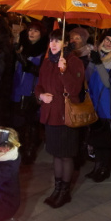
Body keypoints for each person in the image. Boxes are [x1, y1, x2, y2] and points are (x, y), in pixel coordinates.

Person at [35, 29, 85, 209]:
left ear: (65, 43)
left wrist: (64, 71)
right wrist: (41, 96)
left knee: (65, 155)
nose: (53, 44)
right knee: (56, 153)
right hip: (50, 114)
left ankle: (65, 192)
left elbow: (74, 90)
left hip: (66, 115)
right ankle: (57, 189)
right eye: (51, 40)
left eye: (58, 41)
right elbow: (39, 84)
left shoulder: (74, 62)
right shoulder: (47, 61)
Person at [85, 28, 111, 182]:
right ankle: (97, 167)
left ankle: (104, 169)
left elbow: (109, 84)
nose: (108, 43)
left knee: (105, 141)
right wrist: (92, 62)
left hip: (107, 108)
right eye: (106, 39)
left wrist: (99, 64)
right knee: (96, 139)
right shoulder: (97, 56)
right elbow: (87, 78)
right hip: (94, 104)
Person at [11, 21, 48, 164]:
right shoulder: (22, 46)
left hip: (31, 91)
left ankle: (30, 150)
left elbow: (37, 70)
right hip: (17, 89)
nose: (31, 33)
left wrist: (21, 57)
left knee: (31, 123)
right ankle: (18, 149)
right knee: (17, 123)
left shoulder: (44, 50)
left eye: (35, 31)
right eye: (30, 30)